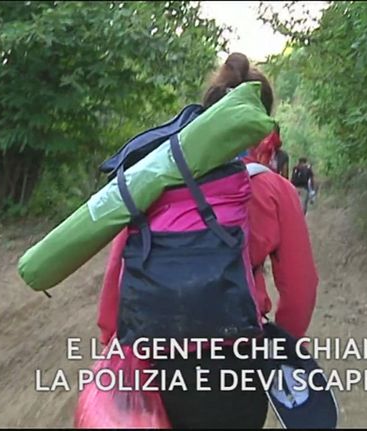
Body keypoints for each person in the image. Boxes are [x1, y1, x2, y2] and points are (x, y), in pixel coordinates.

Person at [96, 52, 319, 429]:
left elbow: (119, 269)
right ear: (263, 123)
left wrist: (111, 343)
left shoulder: (157, 178)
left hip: (155, 356)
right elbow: (300, 288)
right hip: (238, 358)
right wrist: (283, 347)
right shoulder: (275, 189)